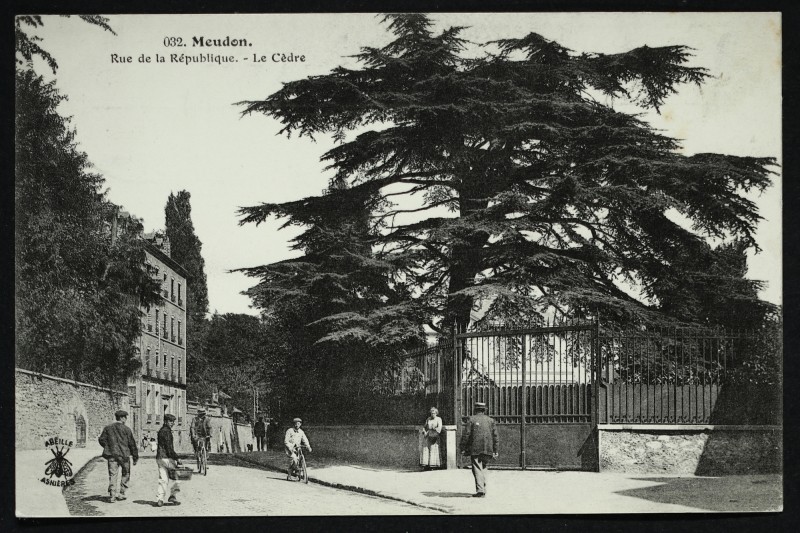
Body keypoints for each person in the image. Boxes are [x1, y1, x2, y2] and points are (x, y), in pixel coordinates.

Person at [98, 410, 139, 502]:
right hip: (124, 456)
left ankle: (112, 494)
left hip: (112, 455)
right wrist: (135, 457)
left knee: (113, 474)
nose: (126, 419)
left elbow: (101, 439)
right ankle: (122, 493)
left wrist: (108, 447)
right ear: (122, 418)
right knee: (126, 473)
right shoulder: (127, 429)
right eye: (125, 417)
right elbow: (132, 444)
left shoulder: (108, 428)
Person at [459, 402, 499, 498]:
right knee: (483, 467)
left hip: (475, 448)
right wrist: (495, 450)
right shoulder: (490, 420)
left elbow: (466, 435)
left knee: (477, 468)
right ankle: (483, 487)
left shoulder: (471, 419)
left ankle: (480, 490)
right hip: (488, 448)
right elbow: (495, 436)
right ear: (484, 410)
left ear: (475, 409)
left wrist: (462, 447)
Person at [156, 413, 182, 507]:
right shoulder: (167, 432)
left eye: (173, 421)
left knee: (163, 479)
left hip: (159, 458)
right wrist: (177, 458)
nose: (173, 423)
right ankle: (173, 496)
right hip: (167, 458)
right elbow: (169, 448)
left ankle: (160, 499)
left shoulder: (160, 431)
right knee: (178, 477)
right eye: (171, 421)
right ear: (166, 421)